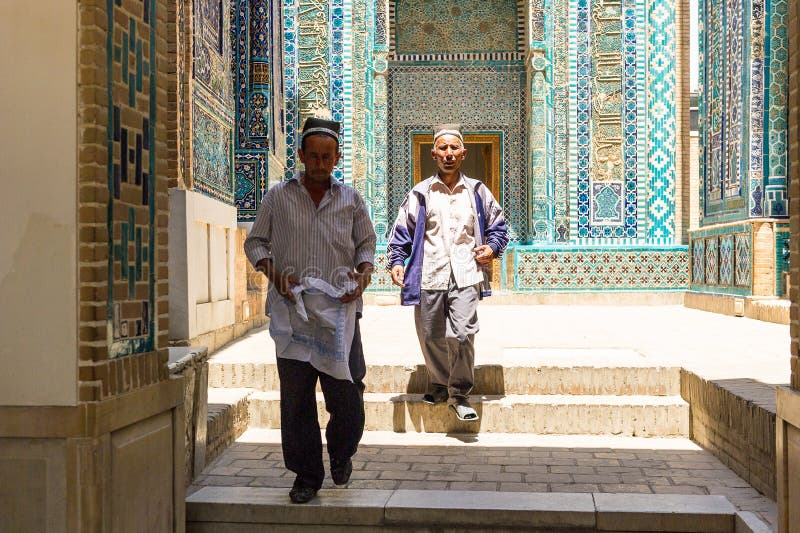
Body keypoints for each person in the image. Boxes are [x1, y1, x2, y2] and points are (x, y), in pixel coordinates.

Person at [244, 115, 377, 504]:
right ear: (301, 155)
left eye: (326, 157)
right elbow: (255, 244)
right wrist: (274, 275)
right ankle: (306, 474)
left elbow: (366, 245)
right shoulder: (277, 197)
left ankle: (341, 451)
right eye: (313, 156)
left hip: (340, 316)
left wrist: (363, 277)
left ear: (336, 158)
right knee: (297, 398)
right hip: (293, 315)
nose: (319, 164)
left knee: (348, 393)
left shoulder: (351, 200)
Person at [387, 124, 509, 422]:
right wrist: (397, 261)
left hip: (466, 274)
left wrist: (492, 248)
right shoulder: (421, 192)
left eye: (454, 148)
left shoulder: (477, 191)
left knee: (463, 334)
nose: (449, 154)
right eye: (443, 148)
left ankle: (460, 393)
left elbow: (500, 227)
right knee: (431, 335)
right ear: (434, 153)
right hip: (430, 273)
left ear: (463, 153)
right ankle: (440, 383)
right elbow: (402, 231)